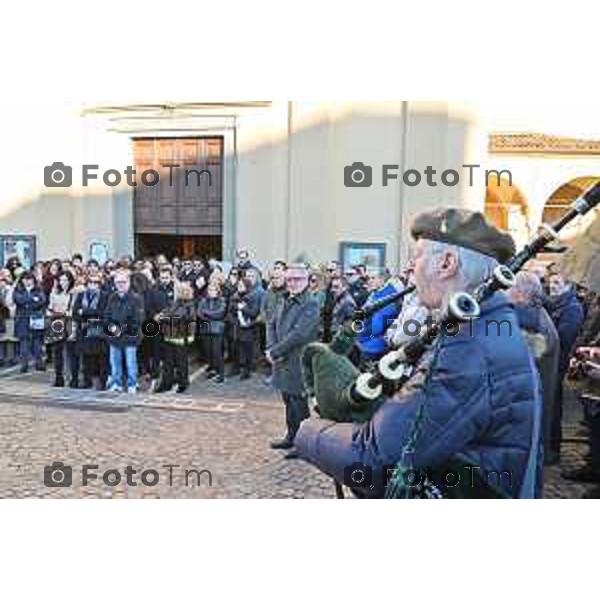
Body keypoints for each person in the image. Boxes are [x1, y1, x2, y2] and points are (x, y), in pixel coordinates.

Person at [296, 209, 542, 499]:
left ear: (447, 263)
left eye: (417, 255)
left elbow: (376, 458)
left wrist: (309, 431)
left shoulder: (469, 347)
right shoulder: (487, 326)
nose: (411, 267)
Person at [267, 264, 321, 454]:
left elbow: (300, 334)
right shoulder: (284, 298)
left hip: (298, 361)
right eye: (289, 279)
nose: (293, 283)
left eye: (297, 279)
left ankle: (303, 444)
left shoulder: (311, 303)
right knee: (288, 401)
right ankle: (291, 436)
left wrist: (276, 351)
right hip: (281, 360)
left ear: (307, 281)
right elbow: (271, 323)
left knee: (299, 405)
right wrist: (273, 348)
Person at [509, 271, 561, 467]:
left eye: (509, 290)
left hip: (532, 409)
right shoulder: (535, 315)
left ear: (522, 294)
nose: (505, 294)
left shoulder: (534, 323)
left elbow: (518, 362)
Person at [547, 271, 585, 461]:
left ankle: (553, 448)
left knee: (554, 405)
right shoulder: (554, 304)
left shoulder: (572, 308)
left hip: (558, 364)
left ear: (569, 286)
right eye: (551, 281)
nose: (552, 285)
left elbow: (563, 338)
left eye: (557, 282)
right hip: (552, 362)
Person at [103, 270, 144, 394]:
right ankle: (117, 383)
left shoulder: (136, 299)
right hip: (114, 337)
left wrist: (121, 329)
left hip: (130, 336)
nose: (120, 285)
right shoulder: (112, 297)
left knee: (131, 363)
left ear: (129, 282)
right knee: (115, 363)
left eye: (123, 282)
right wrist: (112, 328)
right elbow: (107, 316)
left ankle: (132, 384)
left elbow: (138, 319)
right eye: (118, 282)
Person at [155, 282, 196, 394]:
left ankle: (183, 383)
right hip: (169, 336)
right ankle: (166, 383)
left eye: (176, 290)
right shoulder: (175, 303)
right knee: (168, 363)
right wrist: (161, 315)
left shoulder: (188, 305)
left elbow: (178, 318)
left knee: (181, 363)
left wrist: (162, 318)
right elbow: (167, 311)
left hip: (180, 338)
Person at [71, 274, 109, 390]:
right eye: (90, 282)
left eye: (96, 282)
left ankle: (103, 383)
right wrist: (90, 313)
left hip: (98, 329)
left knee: (101, 358)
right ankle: (87, 382)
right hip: (83, 329)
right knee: (86, 357)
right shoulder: (81, 295)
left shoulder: (105, 296)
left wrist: (85, 312)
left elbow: (103, 312)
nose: (93, 285)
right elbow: (75, 313)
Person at [46, 271, 77, 387]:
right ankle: (59, 378)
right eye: (61, 280)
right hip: (57, 322)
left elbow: (73, 310)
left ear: (70, 281)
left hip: (69, 323)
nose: (63, 283)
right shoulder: (54, 293)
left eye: (66, 280)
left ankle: (73, 379)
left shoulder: (74, 293)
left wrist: (65, 311)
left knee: (71, 352)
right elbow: (50, 308)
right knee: (57, 352)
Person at [13, 271, 47, 373]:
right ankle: (24, 365)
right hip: (22, 319)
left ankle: (39, 363)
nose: (27, 281)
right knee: (24, 343)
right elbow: (19, 300)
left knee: (37, 342)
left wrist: (30, 301)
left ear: (33, 280)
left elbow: (41, 300)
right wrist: (32, 299)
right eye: (25, 279)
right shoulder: (18, 289)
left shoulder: (38, 289)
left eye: (29, 279)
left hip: (36, 318)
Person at [197, 283, 227, 384]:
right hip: (205, 329)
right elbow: (199, 314)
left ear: (218, 291)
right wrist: (210, 315)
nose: (211, 292)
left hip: (217, 329)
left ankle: (221, 373)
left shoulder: (222, 300)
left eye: (213, 290)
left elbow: (220, 313)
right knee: (208, 351)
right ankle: (213, 369)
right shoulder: (203, 301)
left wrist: (207, 313)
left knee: (217, 352)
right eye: (209, 290)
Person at [234, 277, 262, 380]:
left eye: (241, 285)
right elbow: (232, 310)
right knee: (239, 349)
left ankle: (247, 372)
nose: (239, 287)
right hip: (238, 327)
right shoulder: (235, 296)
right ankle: (239, 369)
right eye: (238, 285)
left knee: (248, 351)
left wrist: (243, 308)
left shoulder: (251, 296)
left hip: (249, 327)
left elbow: (254, 312)